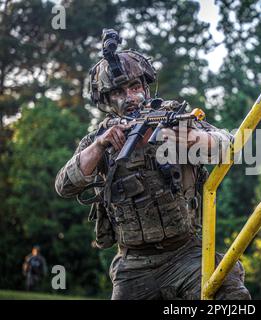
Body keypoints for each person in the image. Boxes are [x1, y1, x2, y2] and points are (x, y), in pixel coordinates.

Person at [55, 29, 250, 300]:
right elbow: (64, 185)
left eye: (135, 87)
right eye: (119, 92)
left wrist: (196, 139)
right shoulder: (100, 139)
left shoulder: (175, 120)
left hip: (187, 254)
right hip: (134, 264)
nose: (131, 98)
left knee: (230, 296)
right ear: (107, 101)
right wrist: (100, 146)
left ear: (146, 87)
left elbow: (233, 146)